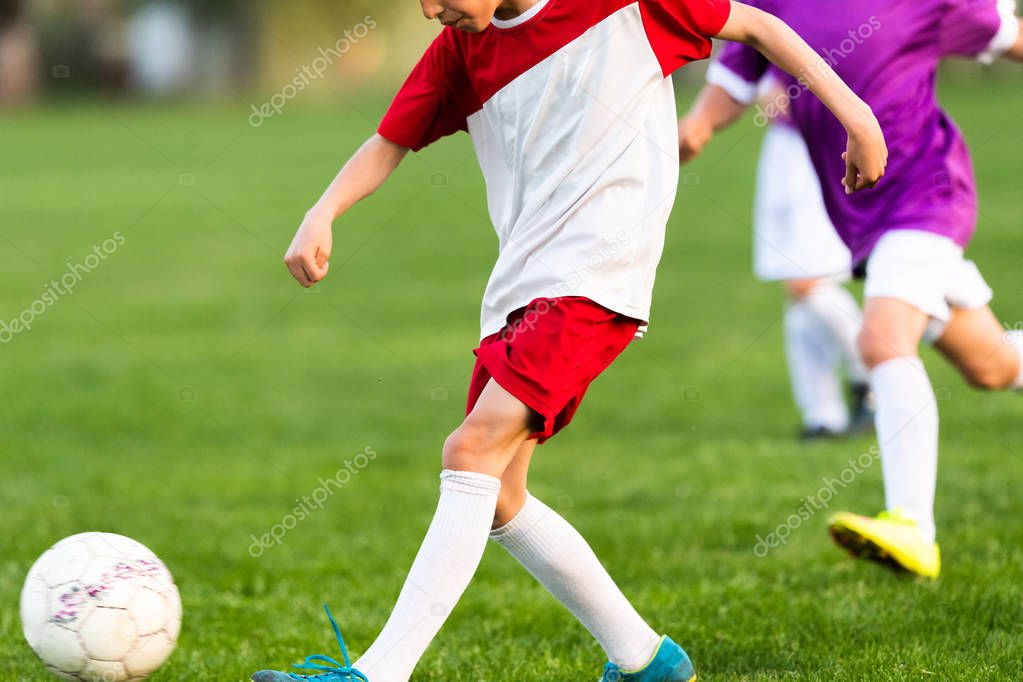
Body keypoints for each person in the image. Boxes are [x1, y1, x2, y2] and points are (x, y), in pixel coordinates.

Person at [252, 1, 886, 680]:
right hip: (521, 286)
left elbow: (758, 26)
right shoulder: (459, 49)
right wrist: (322, 212)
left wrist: (856, 114)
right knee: (496, 494)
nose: (431, 9)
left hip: (595, 276)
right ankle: (646, 660)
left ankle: (380, 674)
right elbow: (389, 141)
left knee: (470, 448)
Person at [678, 0, 1023, 579]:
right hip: (863, 216)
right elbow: (738, 73)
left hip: (928, 196)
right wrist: (697, 126)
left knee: (883, 342)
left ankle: (912, 526)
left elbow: (1008, 38)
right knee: (991, 366)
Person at [745, 77, 872, 440]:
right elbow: (749, 62)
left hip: (823, 145)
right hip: (783, 149)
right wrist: (763, 88)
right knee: (798, 291)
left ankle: (873, 369)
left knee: (807, 283)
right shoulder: (774, 15)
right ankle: (823, 414)